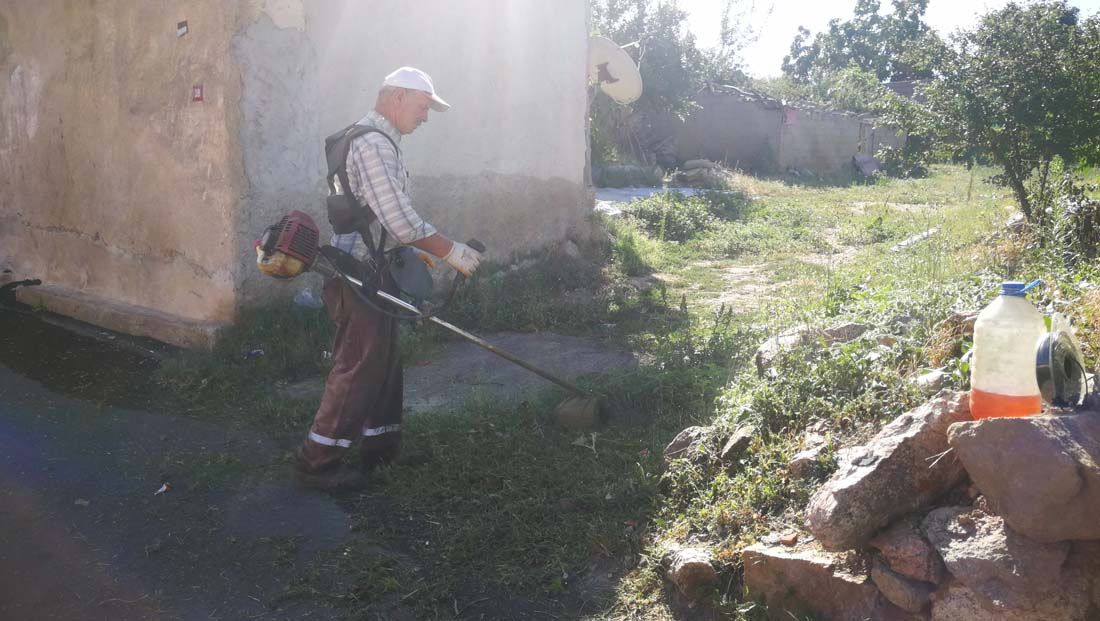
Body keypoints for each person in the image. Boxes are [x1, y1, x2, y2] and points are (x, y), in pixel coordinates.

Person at [294, 67, 483, 492]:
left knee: (382, 360)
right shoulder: (373, 145)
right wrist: (451, 251)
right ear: (397, 97)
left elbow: (381, 218)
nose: (425, 118)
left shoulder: (371, 141)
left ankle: (380, 449)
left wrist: (413, 251)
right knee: (359, 364)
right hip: (360, 274)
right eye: (422, 107)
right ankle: (316, 462)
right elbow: (399, 220)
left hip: (373, 268)